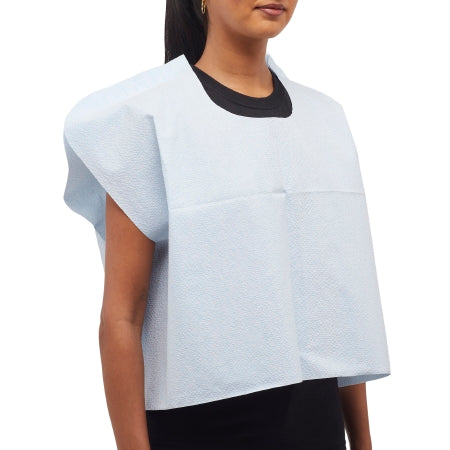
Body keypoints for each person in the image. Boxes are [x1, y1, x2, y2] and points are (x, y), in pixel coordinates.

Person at [62, 1, 391, 449]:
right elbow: (122, 315)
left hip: (315, 426)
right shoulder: (146, 119)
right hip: (197, 430)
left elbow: (337, 314)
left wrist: (364, 441)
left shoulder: (324, 120)